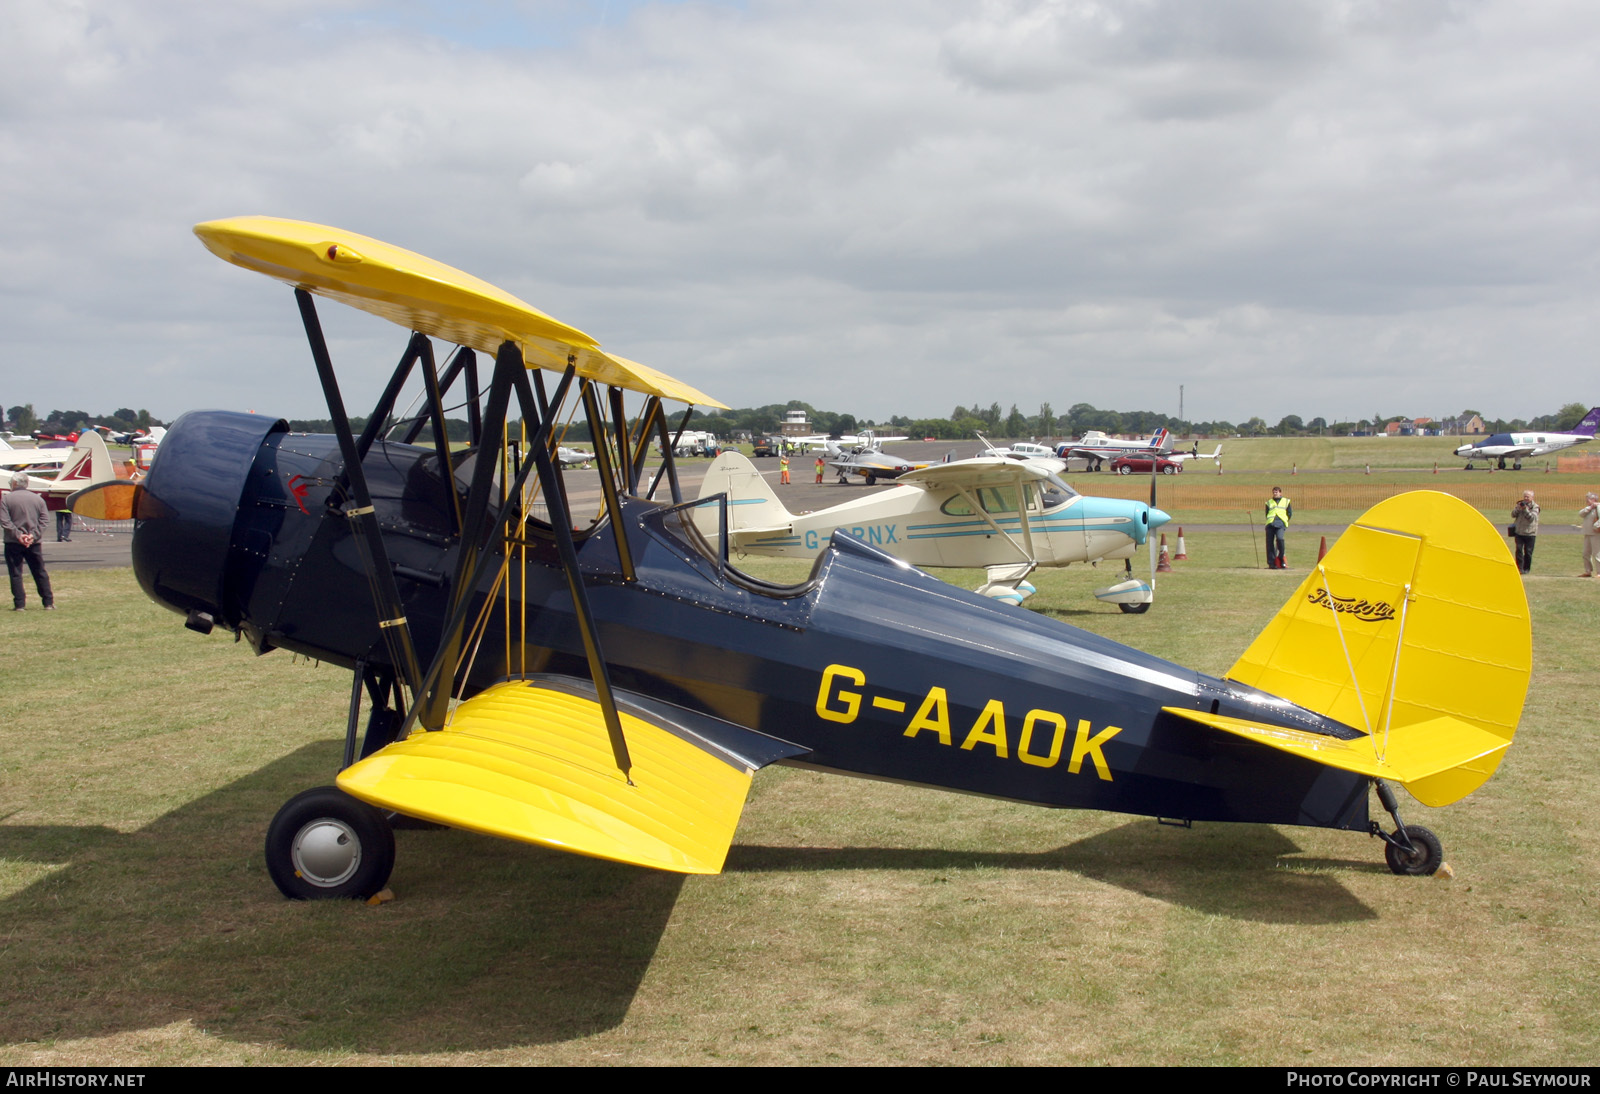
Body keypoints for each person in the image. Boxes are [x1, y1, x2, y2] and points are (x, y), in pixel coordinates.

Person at [2, 472, 55, 610]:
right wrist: (33, 535)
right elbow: (44, 520)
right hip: (34, 542)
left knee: (16, 573)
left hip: (13, 542)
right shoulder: (38, 499)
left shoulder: (6, 500)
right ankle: (48, 602)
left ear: (13, 484)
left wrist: (19, 535)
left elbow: (5, 522)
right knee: (39, 571)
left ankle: (20, 604)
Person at [1511, 489, 1539, 574]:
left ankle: (1526, 568)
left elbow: (1531, 518)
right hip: (1519, 532)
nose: (1526, 498)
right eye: (1525, 496)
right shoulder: (1519, 504)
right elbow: (1513, 515)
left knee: (1528, 552)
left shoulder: (1535, 507)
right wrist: (1519, 508)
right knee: (1518, 550)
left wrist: (1525, 509)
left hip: (1530, 532)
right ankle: (1519, 568)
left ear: (1532, 497)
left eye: (1528, 496)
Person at [1263, 486, 1292, 570]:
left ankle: (1281, 558)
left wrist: (1285, 520)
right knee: (1269, 543)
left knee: (1280, 539)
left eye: (1276, 492)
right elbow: (1267, 513)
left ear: (1280, 493)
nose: (1275, 493)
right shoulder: (1269, 502)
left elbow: (1289, 513)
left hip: (1280, 523)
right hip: (1270, 523)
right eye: (1274, 492)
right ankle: (1271, 563)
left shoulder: (1286, 501)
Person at [1580, 493, 1600, 578]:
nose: (1587, 500)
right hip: (1587, 533)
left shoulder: (1598, 508)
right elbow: (1581, 514)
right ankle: (1588, 571)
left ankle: (1599, 572)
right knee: (1585, 553)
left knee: (1597, 554)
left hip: (1596, 534)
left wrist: (1596, 526)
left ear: (1594, 500)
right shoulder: (1588, 508)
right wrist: (1590, 507)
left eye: (1589, 499)